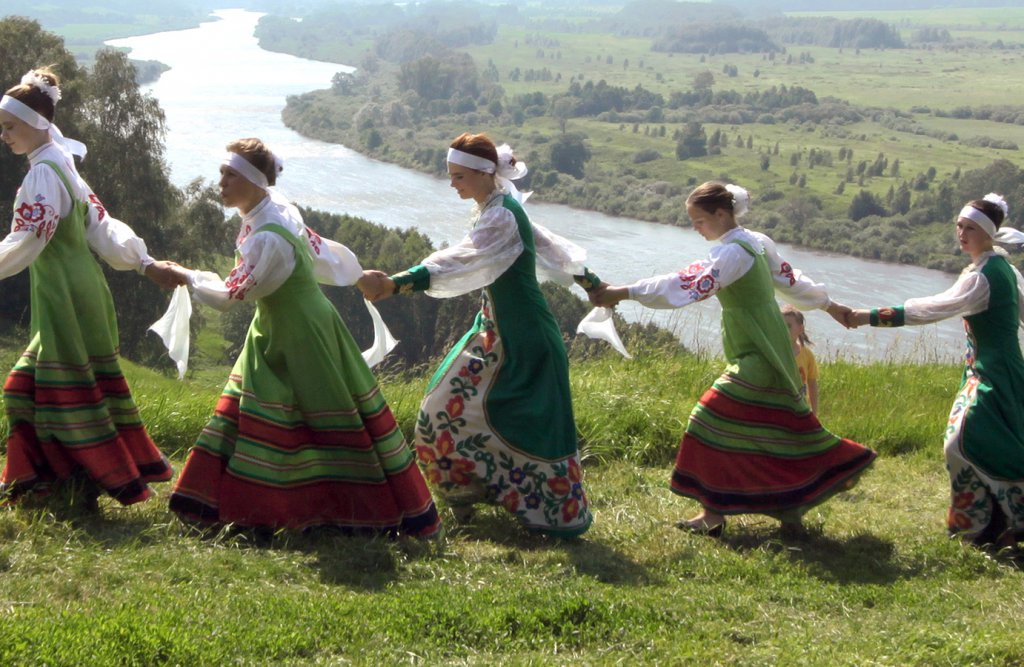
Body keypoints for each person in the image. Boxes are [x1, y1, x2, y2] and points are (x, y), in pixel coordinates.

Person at [168, 138, 440, 537]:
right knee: (275, 409)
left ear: (255, 182)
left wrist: (186, 275)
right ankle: (243, 506)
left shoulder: (269, 236)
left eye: (231, 175)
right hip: (289, 323)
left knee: (310, 411)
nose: (221, 182)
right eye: (222, 173)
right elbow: (319, 251)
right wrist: (356, 273)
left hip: (299, 330)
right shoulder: (277, 210)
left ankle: (313, 511)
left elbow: (230, 295)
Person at [591, 181, 876, 536]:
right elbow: (792, 280)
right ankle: (765, 506)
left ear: (721, 214)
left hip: (761, 347)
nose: (696, 228)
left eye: (699, 221)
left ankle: (720, 511)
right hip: (758, 341)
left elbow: (687, 283)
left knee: (708, 418)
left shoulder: (735, 252)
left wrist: (624, 291)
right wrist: (832, 307)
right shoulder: (753, 242)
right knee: (767, 429)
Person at [359, 132, 601, 537]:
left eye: (458, 176)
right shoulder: (499, 207)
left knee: (513, 423)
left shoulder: (502, 215)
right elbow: (548, 246)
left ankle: (543, 512)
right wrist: (591, 281)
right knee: (443, 408)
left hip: (523, 338)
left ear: (485, 173)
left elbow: (464, 258)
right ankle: (468, 494)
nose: (452, 184)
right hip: (496, 332)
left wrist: (398, 283)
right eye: (450, 176)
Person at [0, 68, 181, 507]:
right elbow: (102, 226)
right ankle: (54, 484)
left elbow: (28, 239)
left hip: (65, 291)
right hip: (81, 288)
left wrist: (144, 263)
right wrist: (142, 262)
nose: (4, 136)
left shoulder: (46, 173)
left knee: (48, 389)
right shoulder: (61, 163)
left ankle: (70, 484)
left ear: (36, 124)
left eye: (9, 127)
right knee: (41, 387)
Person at [844, 194, 1024, 550]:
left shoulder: (986, 276)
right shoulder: (997, 267)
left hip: (994, 373)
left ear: (988, 233)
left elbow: (933, 309)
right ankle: (988, 524)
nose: (961, 233)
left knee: (964, 442)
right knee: (972, 443)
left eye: (970, 228)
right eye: (959, 225)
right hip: (986, 370)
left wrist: (868, 315)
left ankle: (994, 521)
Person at [782, 304, 819, 413]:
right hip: (778, 408)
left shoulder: (807, 355)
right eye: (781, 325)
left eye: (788, 326)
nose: (784, 330)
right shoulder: (775, 353)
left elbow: (812, 385)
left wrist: (814, 413)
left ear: (800, 329)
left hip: (800, 409)